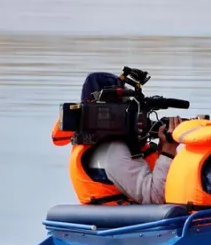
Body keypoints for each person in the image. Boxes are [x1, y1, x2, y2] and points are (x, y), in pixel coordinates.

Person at [56, 71, 174, 205]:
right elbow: (154, 199)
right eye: (127, 104)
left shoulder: (97, 144)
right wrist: (168, 151)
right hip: (130, 224)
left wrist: (161, 150)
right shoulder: (113, 151)